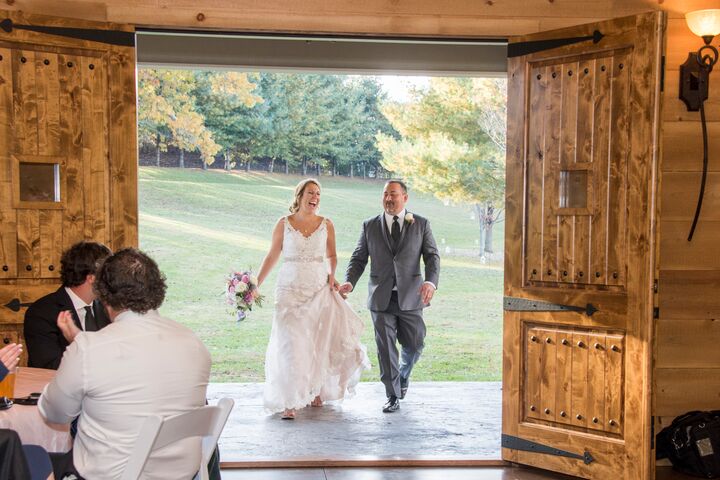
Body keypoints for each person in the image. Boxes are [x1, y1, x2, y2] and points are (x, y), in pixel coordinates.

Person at [39, 248, 211, 480]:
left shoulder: (91, 348)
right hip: (181, 473)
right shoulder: (193, 342)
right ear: (157, 288)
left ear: (104, 293)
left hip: (109, 474)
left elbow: (55, 413)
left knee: (31, 458)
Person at [257, 178, 369, 420]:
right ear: (299, 196)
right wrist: (256, 283)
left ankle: (315, 389)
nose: (315, 197)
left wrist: (331, 276)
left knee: (317, 341)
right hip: (289, 288)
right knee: (290, 344)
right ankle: (289, 401)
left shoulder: (326, 224)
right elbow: (271, 256)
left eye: (318, 193)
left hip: (318, 288)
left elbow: (331, 255)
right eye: (310, 192)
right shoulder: (283, 224)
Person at [339, 179, 440, 413]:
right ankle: (392, 395)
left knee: (415, 344)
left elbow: (432, 257)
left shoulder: (421, 224)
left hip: (411, 297)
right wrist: (349, 282)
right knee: (385, 349)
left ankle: (404, 375)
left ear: (405, 197)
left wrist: (430, 282)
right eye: (385, 194)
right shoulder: (370, 226)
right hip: (380, 298)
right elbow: (358, 258)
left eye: (393, 194)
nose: (388, 199)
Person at [24, 241, 112, 369]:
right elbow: (50, 366)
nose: (112, 279)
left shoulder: (108, 308)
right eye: (108, 274)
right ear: (92, 278)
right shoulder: (41, 312)